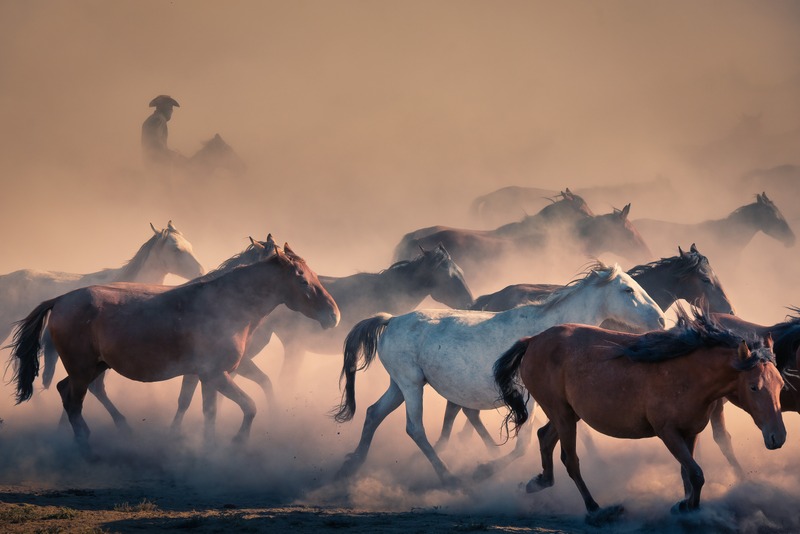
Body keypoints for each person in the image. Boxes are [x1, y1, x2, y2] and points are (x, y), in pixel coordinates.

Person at [141, 95, 184, 170]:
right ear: (165, 108)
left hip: (152, 161)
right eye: (170, 108)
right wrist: (172, 154)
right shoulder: (159, 119)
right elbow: (155, 144)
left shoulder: (154, 118)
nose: (171, 111)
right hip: (157, 164)